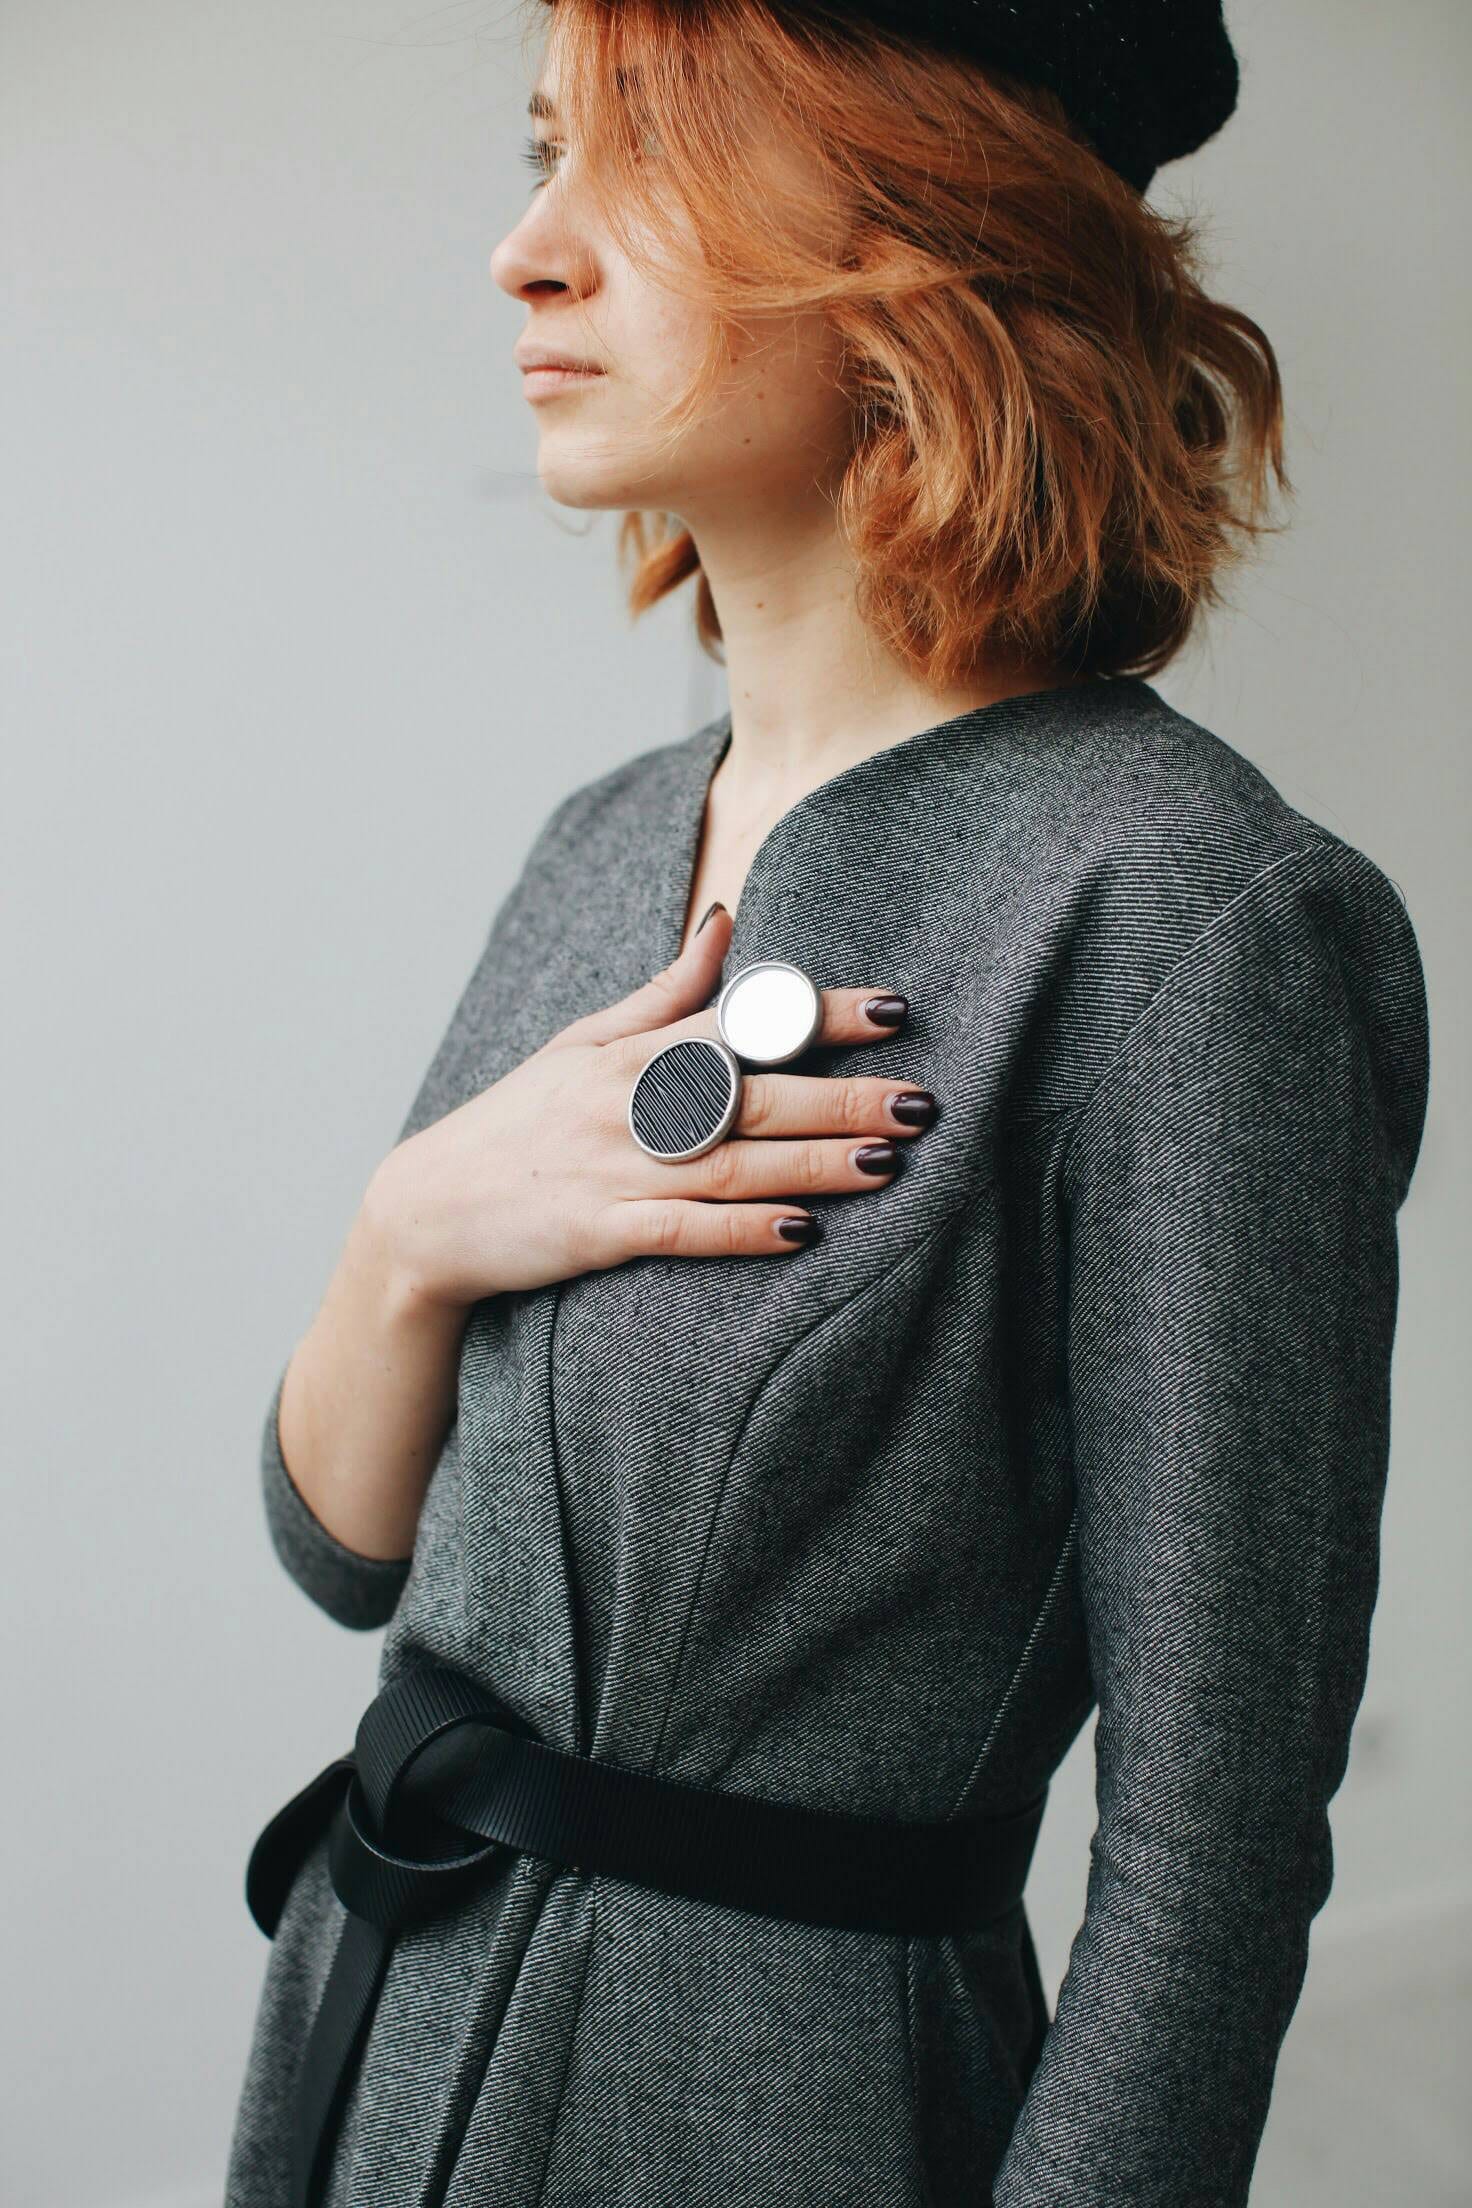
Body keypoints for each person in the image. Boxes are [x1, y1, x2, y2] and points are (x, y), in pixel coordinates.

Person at [225, 3, 1431, 2203]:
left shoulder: (1192, 922)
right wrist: (411, 1227)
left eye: (643, 160)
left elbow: (1215, 1847)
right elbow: (340, 1549)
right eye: (536, 148)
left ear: (929, 239)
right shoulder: (598, 841)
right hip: (371, 2048)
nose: (525, 251)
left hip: (785, 2121)